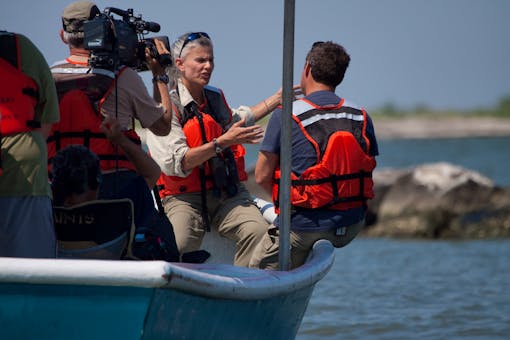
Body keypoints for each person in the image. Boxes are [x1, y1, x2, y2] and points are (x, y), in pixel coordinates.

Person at [146, 32, 285, 267]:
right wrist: (222, 142)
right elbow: (179, 163)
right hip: (183, 197)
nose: (208, 66)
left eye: (211, 60)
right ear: (179, 64)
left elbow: (237, 119)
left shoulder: (215, 98)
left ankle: (238, 286)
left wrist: (277, 99)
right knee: (175, 249)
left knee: (261, 232)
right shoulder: (167, 107)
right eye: (200, 60)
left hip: (224, 193)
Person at [250, 41, 379, 270]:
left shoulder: (285, 115)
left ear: (307, 68)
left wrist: (287, 202)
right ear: (340, 76)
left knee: (253, 268)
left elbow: (261, 176)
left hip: (305, 228)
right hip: (351, 226)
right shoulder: (361, 115)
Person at [47, 1, 173, 199]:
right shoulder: (123, 76)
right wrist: (159, 75)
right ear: (104, 31)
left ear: (63, 37)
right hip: (112, 188)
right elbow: (163, 126)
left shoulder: (48, 76)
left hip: (58, 190)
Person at [51, 121, 179, 262]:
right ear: (97, 185)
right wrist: (120, 140)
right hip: (111, 275)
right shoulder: (117, 206)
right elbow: (153, 172)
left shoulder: (45, 207)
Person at [0, 31, 60, 258]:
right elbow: (48, 116)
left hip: (23, 171)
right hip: (24, 174)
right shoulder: (21, 48)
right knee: (32, 266)